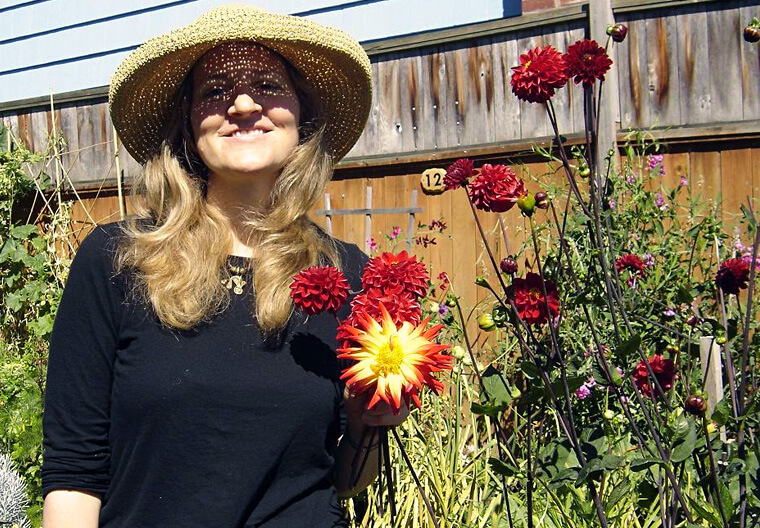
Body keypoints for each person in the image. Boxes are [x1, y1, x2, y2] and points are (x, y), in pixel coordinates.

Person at [41, 5, 409, 527]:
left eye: (267, 84)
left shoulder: (347, 274)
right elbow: (74, 473)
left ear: (300, 115)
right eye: (214, 90)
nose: (241, 103)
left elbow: (345, 479)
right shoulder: (116, 260)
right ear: (188, 123)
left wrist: (367, 423)